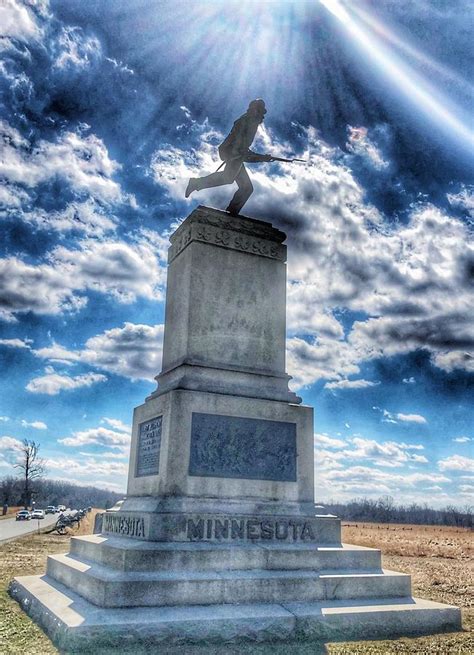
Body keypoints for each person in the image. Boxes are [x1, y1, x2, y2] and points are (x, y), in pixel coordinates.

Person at [185, 98, 272, 215]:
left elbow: (244, 150)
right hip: (233, 154)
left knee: (246, 188)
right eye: (260, 111)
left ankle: (231, 213)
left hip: (237, 154)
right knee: (228, 178)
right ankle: (196, 183)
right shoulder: (246, 121)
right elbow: (239, 146)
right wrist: (259, 157)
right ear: (254, 110)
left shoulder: (251, 122)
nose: (262, 115)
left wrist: (261, 158)